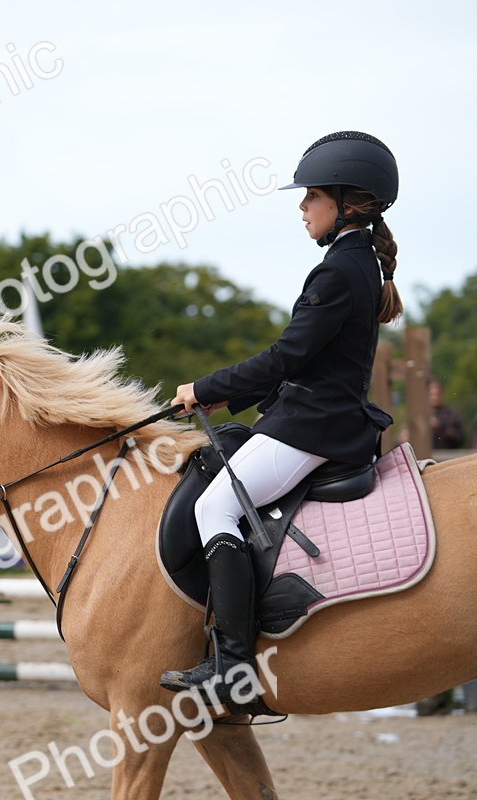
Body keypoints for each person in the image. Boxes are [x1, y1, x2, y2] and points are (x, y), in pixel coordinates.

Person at [159, 131, 401, 707]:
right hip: (319, 415)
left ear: (347, 203)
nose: (301, 207)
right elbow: (300, 360)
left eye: (311, 196)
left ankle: (233, 665)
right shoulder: (358, 262)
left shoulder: (339, 270)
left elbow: (285, 358)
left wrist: (205, 387)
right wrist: (223, 398)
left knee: (213, 505)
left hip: (315, 424)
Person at [428, 379, 465, 450]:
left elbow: (461, 438)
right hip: (424, 458)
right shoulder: (418, 417)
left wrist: (440, 428)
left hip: (446, 456)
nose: (435, 398)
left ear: (442, 394)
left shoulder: (451, 414)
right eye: (432, 394)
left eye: (437, 394)